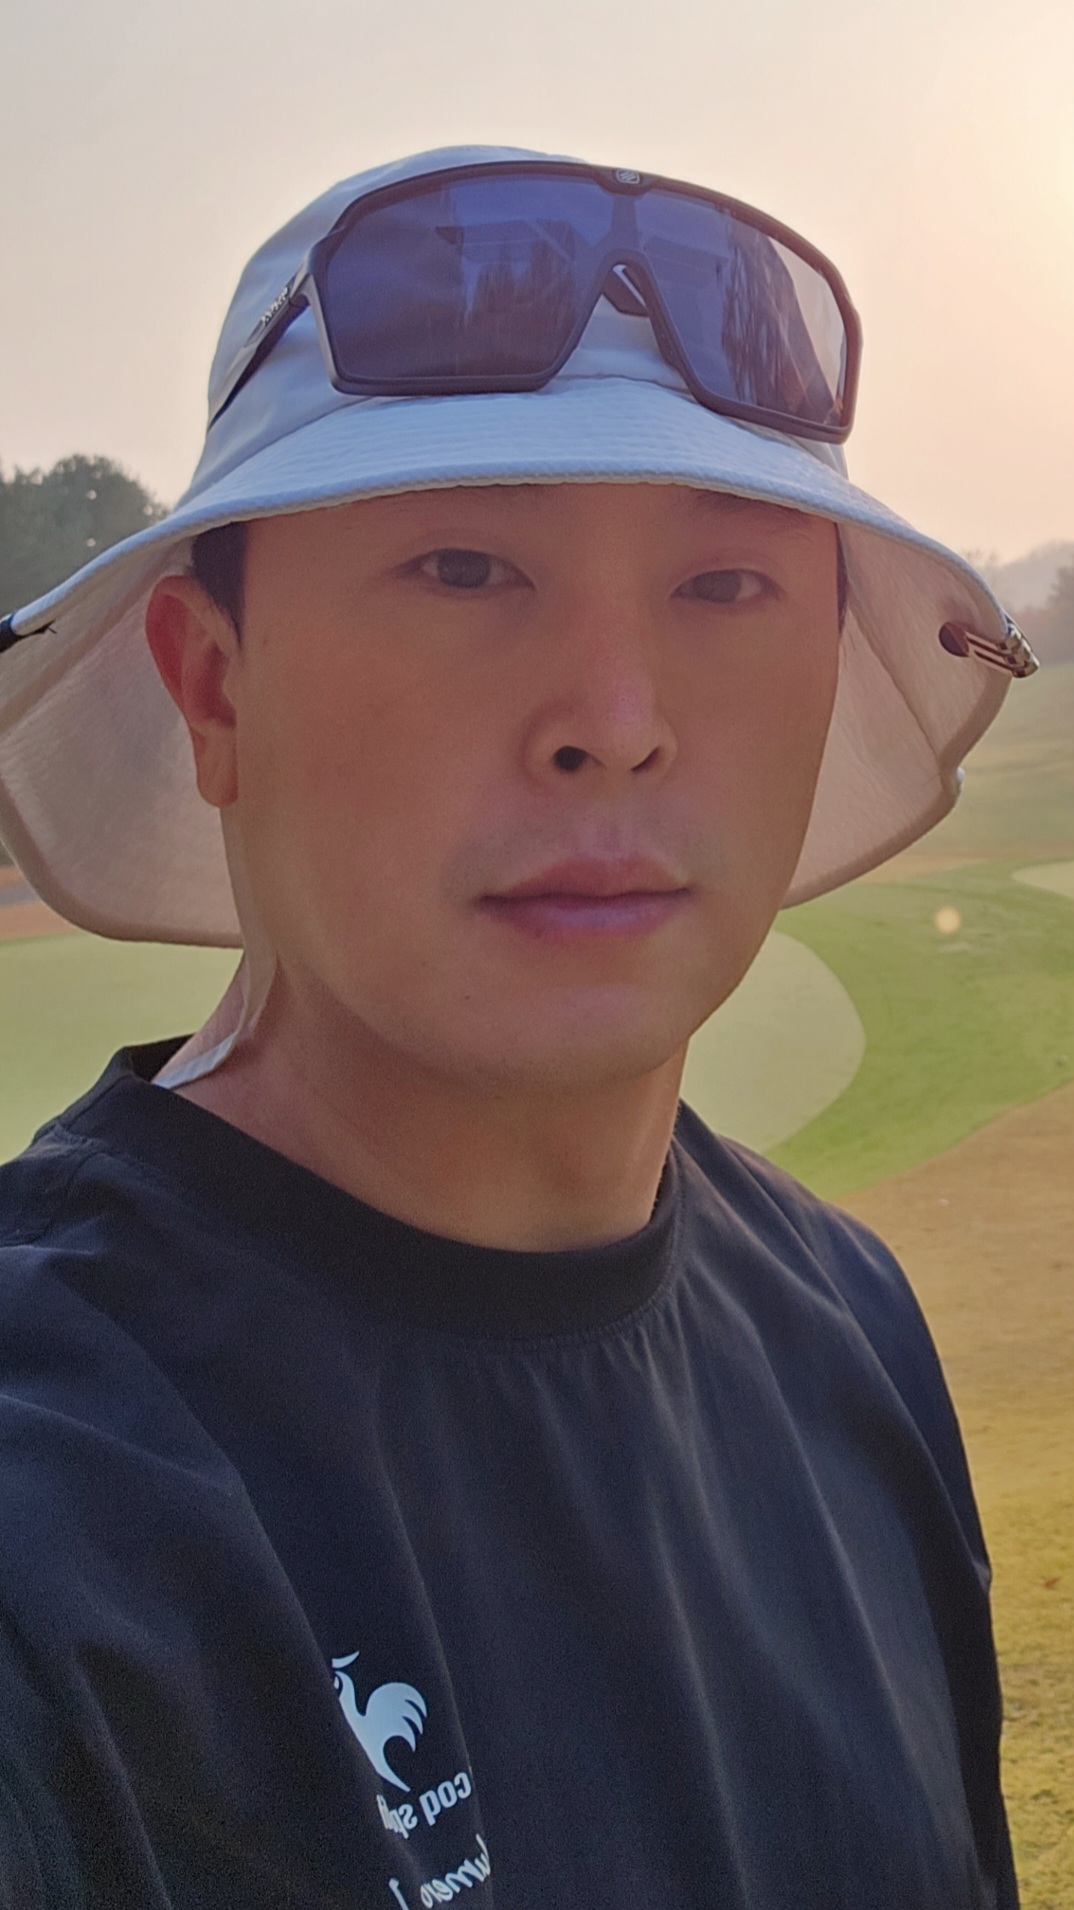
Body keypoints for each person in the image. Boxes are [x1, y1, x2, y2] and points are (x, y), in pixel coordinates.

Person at [0, 147, 1035, 1909]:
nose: (615, 721)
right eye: (467, 565)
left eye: (724, 586)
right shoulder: (61, 1485)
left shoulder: (852, 1328)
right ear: (213, 680)